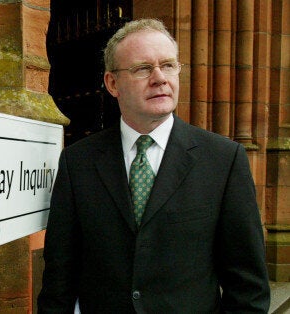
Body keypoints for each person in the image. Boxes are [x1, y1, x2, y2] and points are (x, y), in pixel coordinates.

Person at [37, 19, 270, 313]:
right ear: (112, 83)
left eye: (169, 65)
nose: (160, 78)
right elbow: (59, 280)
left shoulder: (224, 160)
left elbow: (249, 288)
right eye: (143, 68)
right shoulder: (78, 162)